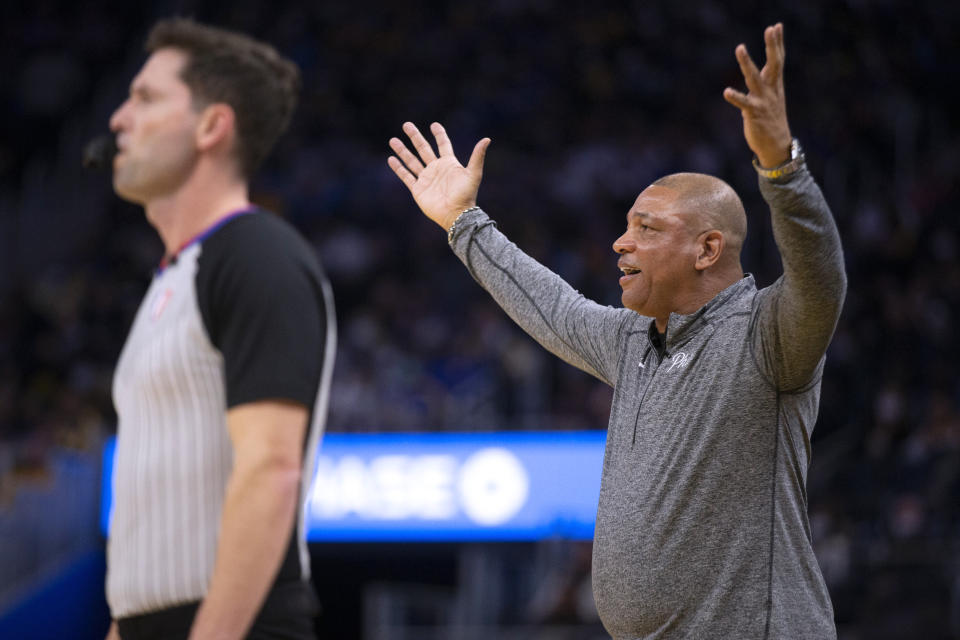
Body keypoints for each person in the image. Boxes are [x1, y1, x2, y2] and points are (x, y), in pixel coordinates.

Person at [387, 23, 845, 639]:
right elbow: (551, 307)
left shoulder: (767, 335)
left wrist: (781, 168)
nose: (620, 242)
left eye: (646, 229)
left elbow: (820, 277)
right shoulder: (634, 340)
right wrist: (463, 223)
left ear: (708, 249)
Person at [103, 18, 335, 640]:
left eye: (145, 98)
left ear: (212, 125)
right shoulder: (172, 277)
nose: (118, 119)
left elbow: (272, 469)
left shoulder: (257, 255)